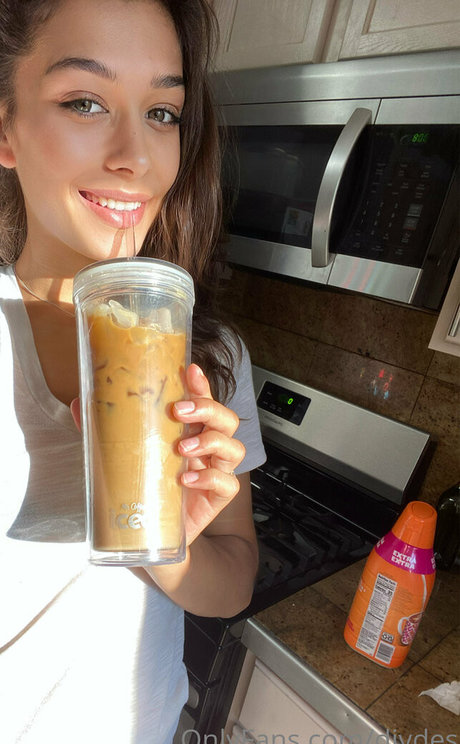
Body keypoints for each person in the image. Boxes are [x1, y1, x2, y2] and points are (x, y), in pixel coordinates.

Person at [0, 1, 266, 742]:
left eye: (161, 112)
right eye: (85, 102)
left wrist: (170, 547)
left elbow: (232, 581)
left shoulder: (209, 353)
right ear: (6, 130)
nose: (136, 156)